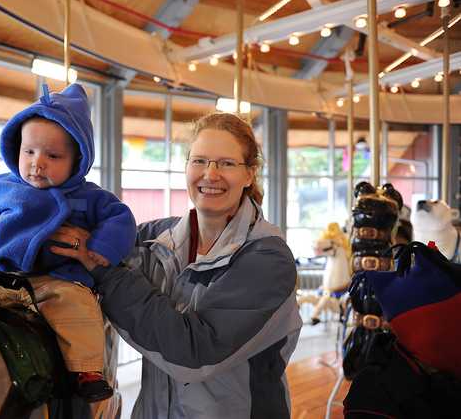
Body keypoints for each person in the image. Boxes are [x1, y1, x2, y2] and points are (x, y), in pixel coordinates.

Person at [51, 112, 303, 418]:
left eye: (226, 163)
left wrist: (102, 268)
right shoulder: (154, 239)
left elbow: (193, 352)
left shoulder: (266, 260)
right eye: (199, 161)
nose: (210, 174)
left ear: (249, 174)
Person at [0, 83, 137, 403]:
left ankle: (87, 370)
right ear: (16, 150)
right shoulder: (1, 187)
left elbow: (121, 218)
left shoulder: (89, 195)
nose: (37, 163)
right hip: (0, 276)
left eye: (53, 156)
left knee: (76, 308)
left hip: (56, 280)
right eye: (29, 152)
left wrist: (103, 245)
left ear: (76, 160)